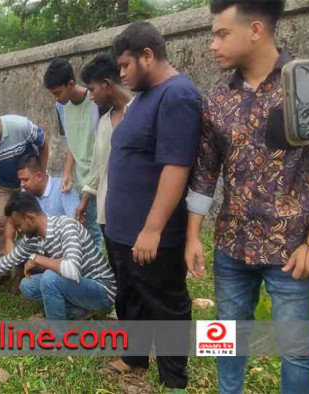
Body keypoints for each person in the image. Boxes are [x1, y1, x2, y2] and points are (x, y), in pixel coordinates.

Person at [185, 1, 309, 393]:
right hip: (231, 246)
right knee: (225, 341)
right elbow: (205, 169)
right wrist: (193, 235)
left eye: (221, 34)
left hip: (292, 250)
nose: (212, 45)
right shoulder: (216, 99)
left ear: (255, 30)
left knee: (298, 350)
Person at [101, 22, 202, 391]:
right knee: (131, 297)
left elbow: (177, 166)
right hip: (121, 229)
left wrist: (153, 228)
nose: (122, 74)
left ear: (148, 55)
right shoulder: (142, 97)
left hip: (152, 233)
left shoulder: (177, 95)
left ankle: (174, 379)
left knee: (167, 305)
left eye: (126, 65)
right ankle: (134, 357)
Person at [0, 193, 115, 320]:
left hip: (102, 292)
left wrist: (37, 259)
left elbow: (72, 270)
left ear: (30, 217)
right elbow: (7, 261)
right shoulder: (33, 238)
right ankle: (80, 312)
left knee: (50, 278)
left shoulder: (66, 226)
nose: (19, 231)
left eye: (19, 225)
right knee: (27, 285)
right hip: (78, 286)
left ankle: (57, 333)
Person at [75, 53, 134, 276]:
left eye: (92, 89)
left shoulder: (141, 112)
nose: (90, 96)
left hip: (135, 212)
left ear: (107, 84)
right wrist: (84, 200)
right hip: (106, 212)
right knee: (118, 268)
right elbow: (98, 166)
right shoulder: (103, 121)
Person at [0, 103, 49, 260]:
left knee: (33, 217)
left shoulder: (20, 125)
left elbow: (43, 143)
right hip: (4, 185)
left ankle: (39, 258)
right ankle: (3, 266)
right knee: (0, 222)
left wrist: (40, 174)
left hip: (29, 182)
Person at [44, 58, 103, 250]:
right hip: (81, 179)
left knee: (105, 229)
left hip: (101, 176)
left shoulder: (96, 100)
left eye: (57, 93)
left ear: (71, 84)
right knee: (91, 230)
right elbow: (72, 141)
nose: (55, 98)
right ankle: (96, 272)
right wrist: (68, 173)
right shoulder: (61, 106)